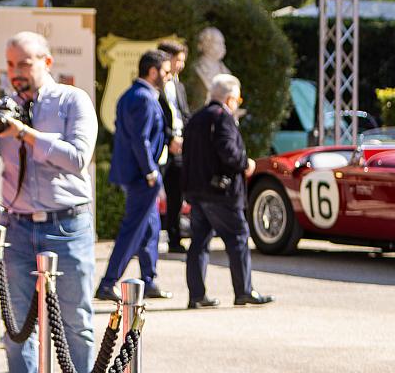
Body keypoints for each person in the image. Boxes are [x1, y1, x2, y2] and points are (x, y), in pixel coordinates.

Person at [0, 32, 100, 373]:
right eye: (11, 64)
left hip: (67, 226)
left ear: (46, 62)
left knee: (76, 323)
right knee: (16, 327)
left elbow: (77, 157)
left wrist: (24, 133)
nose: (16, 73)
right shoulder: (4, 109)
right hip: (17, 227)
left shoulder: (72, 101)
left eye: (25, 63)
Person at [183, 75, 273, 308]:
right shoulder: (222, 118)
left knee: (199, 243)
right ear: (230, 98)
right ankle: (244, 291)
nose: (237, 104)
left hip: (198, 192)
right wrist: (246, 163)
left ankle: (196, 295)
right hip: (221, 193)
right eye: (238, 100)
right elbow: (229, 152)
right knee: (238, 238)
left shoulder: (196, 118)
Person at [96, 48, 172, 302]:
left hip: (135, 173)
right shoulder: (144, 98)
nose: (169, 76)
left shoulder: (131, 94)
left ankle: (148, 280)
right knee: (133, 229)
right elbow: (140, 139)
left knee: (151, 228)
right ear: (152, 71)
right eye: (166, 71)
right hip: (142, 176)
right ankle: (108, 283)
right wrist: (150, 171)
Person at [158, 39, 190, 252]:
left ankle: (174, 237)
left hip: (179, 146)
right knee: (150, 194)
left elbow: (184, 114)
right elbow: (156, 119)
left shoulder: (179, 85)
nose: (181, 65)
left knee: (176, 193)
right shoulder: (154, 87)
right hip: (162, 145)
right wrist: (169, 139)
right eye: (178, 60)